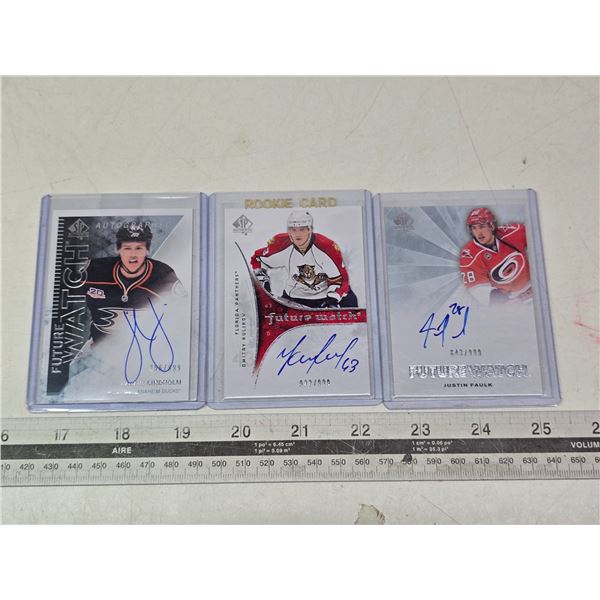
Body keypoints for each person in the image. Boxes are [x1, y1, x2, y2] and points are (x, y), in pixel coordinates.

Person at [83, 222, 183, 341]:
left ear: (148, 250)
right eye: (127, 248)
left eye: (139, 248)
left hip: (144, 348)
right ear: (118, 249)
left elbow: (183, 318)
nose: (133, 255)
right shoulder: (94, 270)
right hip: (98, 348)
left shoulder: (163, 276)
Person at [250, 210, 358, 308]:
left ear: (310, 230)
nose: (298, 234)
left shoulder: (327, 247)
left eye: (302, 229)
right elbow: (258, 259)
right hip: (295, 298)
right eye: (293, 229)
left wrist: (333, 299)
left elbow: (340, 279)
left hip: (326, 297)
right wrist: (262, 279)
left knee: (350, 302)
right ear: (289, 231)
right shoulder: (280, 244)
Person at [459, 207, 532, 305]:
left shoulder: (512, 233)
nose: (478, 232)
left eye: (482, 226)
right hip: (513, 300)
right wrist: (504, 303)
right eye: (474, 228)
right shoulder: (469, 255)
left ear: (491, 226)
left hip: (535, 287)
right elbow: (478, 288)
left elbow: (539, 236)